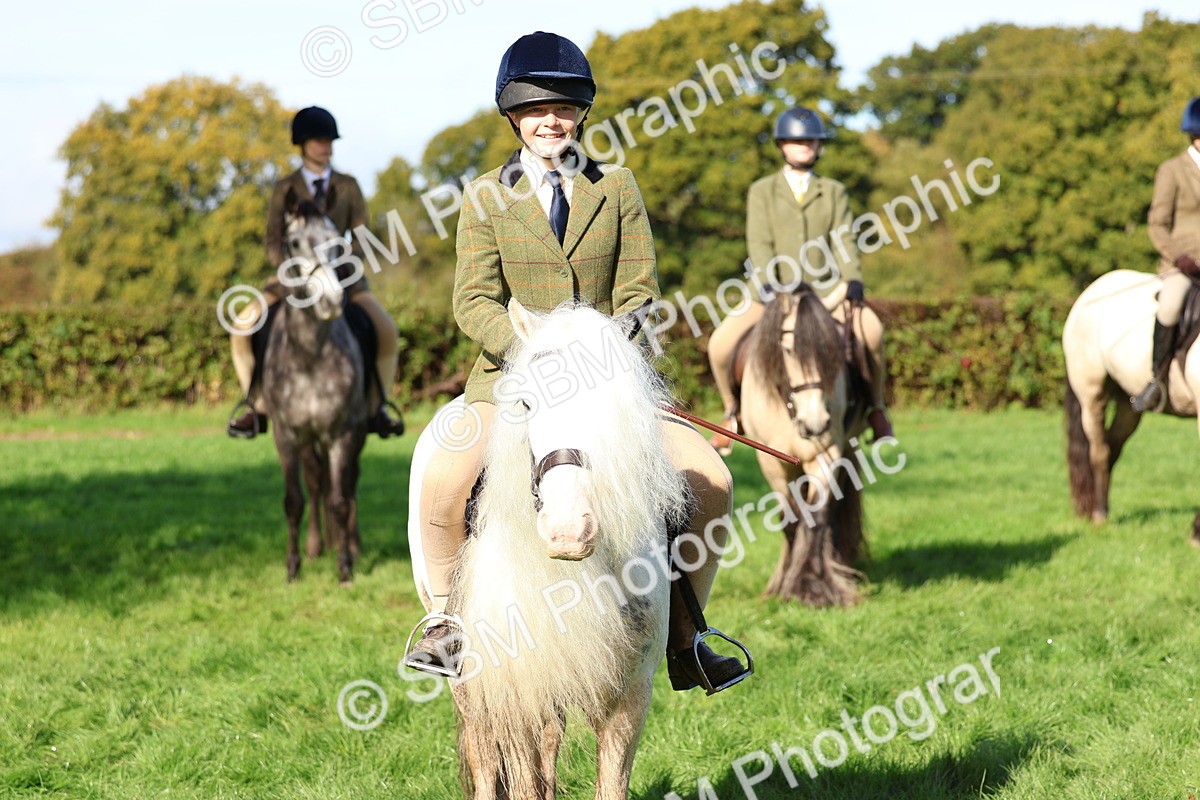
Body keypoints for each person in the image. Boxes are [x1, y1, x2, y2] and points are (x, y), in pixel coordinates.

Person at [404, 31, 750, 694]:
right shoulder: (483, 196)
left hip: (609, 383)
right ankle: (446, 625)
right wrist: (531, 353)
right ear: (513, 117)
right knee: (443, 480)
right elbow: (472, 300)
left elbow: (639, 293)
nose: (550, 120)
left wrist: (606, 356)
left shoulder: (616, 187)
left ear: (583, 113)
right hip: (509, 383)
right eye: (535, 110)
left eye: (563, 108)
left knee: (710, 481)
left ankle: (688, 637)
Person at [706, 107, 893, 453]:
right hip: (770, 293)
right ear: (781, 145)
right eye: (796, 140)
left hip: (825, 293)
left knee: (872, 330)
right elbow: (759, 245)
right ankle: (732, 412)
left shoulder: (834, 191)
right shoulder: (762, 190)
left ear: (819, 146)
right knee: (719, 344)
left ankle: (875, 409)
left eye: (810, 140)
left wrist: (852, 279)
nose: (803, 145)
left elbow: (845, 242)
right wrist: (768, 284)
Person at [227, 106, 405, 438]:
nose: (326, 146)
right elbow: (272, 240)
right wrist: (293, 270)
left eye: (329, 140)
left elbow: (362, 237)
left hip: (344, 279)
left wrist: (338, 267)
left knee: (387, 330)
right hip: (291, 280)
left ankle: (376, 407)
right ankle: (255, 406)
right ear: (303, 144)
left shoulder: (348, 185)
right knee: (241, 326)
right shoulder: (285, 187)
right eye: (318, 140)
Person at [1131, 96, 1200, 412]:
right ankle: (1156, 381)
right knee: (1171, 306)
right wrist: (1179, 258)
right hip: (1185, 266)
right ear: (1193, 136)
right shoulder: (1172, 170)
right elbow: (1157, 225)